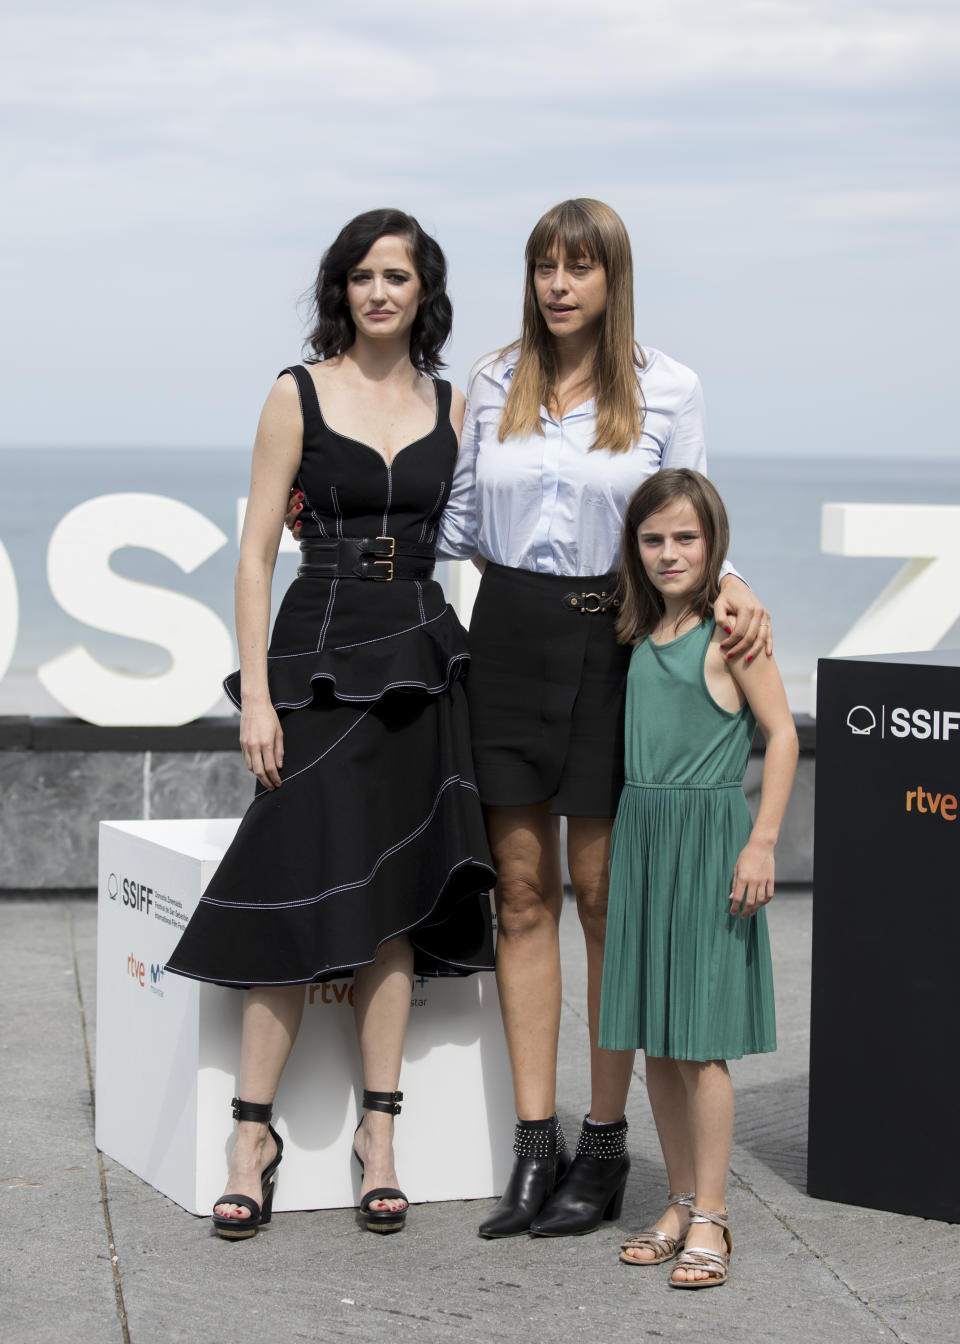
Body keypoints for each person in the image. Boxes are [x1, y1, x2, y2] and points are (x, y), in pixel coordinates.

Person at [438, 199, 773, 1238]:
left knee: (601, 897)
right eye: (543, 265)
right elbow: (456, 521)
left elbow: (691, 517)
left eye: (578, 266)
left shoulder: (669, 385)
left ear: (612, 277)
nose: (558, 283)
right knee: (523, 896)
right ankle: (534, 1146)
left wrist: (734, 586)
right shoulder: (493, 382)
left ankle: (606, 1142)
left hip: (615, 639)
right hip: (508, 632)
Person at [165, 209, 495, 1239]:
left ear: (423, 290)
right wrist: (256, 696)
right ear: (340, 290)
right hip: (314, 659)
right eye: (362, 275)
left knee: (396, 895)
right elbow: (257, 551)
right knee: (290, 884)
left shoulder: (454, 401)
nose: (380, 291)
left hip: (423, 653)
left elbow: (488, 530)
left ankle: (379, 1137)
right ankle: (250, 1136)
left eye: (397, 275)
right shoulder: (295, 391)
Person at [599, 468, 797, 1287]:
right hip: (644, 836)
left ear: (715, 543)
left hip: (710, 840)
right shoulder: (645, 631)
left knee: (703, 1045)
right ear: (634, 549)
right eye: (653, 539)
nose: (670, 552)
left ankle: (713, 1214)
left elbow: (782, 735)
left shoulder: (729, 632)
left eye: (686, 538)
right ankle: (680, 1199)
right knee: (658, 1038)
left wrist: (763, 842)